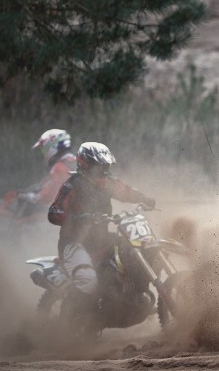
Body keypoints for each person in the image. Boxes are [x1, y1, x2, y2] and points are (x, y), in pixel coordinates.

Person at [48, 142, 156, 319]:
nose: (104, 173)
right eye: (100, 169)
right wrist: (77, 218)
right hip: (74, 243)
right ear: (86, 167)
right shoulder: (72, 186)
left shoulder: (108, 183)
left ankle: (129, 295)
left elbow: (126, 192)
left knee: (132, 250)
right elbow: (54, 212)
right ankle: (68, 322)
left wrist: (144, 199)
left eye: (107, 168)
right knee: (87, 279)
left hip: (102, 240)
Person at [29, 129, 77, 208]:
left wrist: (23, 195)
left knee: (24, 220)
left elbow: (49, 197)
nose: (44, 155)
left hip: (73, 212)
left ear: (52, 148)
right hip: (86, 206)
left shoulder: (58, 167)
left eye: (44, 151)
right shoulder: (76, 159)